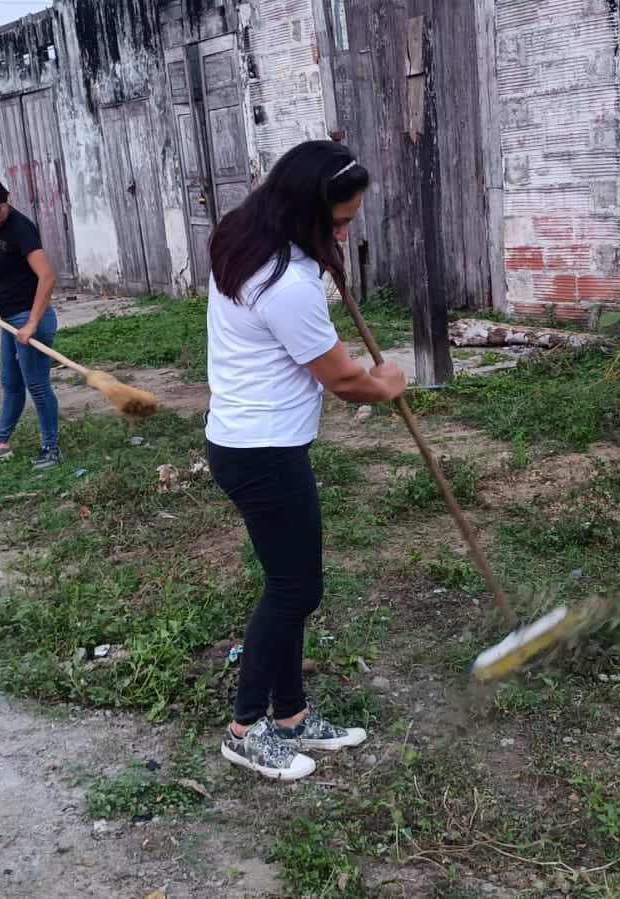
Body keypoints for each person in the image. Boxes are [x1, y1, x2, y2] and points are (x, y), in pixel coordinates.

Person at [205, 141, 407, 780]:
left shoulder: (244, 237)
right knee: (296, 588)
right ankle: (245, 729)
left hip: (248, 441)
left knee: (288, 584)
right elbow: (344, 381)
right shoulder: (287, 284)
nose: (344, 235)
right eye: (338, 223)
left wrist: (321, 251)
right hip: (262, 452)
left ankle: (291, 716)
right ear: (301, 211)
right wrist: (386, 384)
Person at [0, 174, 62, 470]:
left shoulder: (21, 228)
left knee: (38, 385)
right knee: (11, 383)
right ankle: (0, 442)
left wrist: (31, 323)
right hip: (9, 319)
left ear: (6, 199)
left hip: (30, 318)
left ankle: (50, 448)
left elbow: (47, 277)